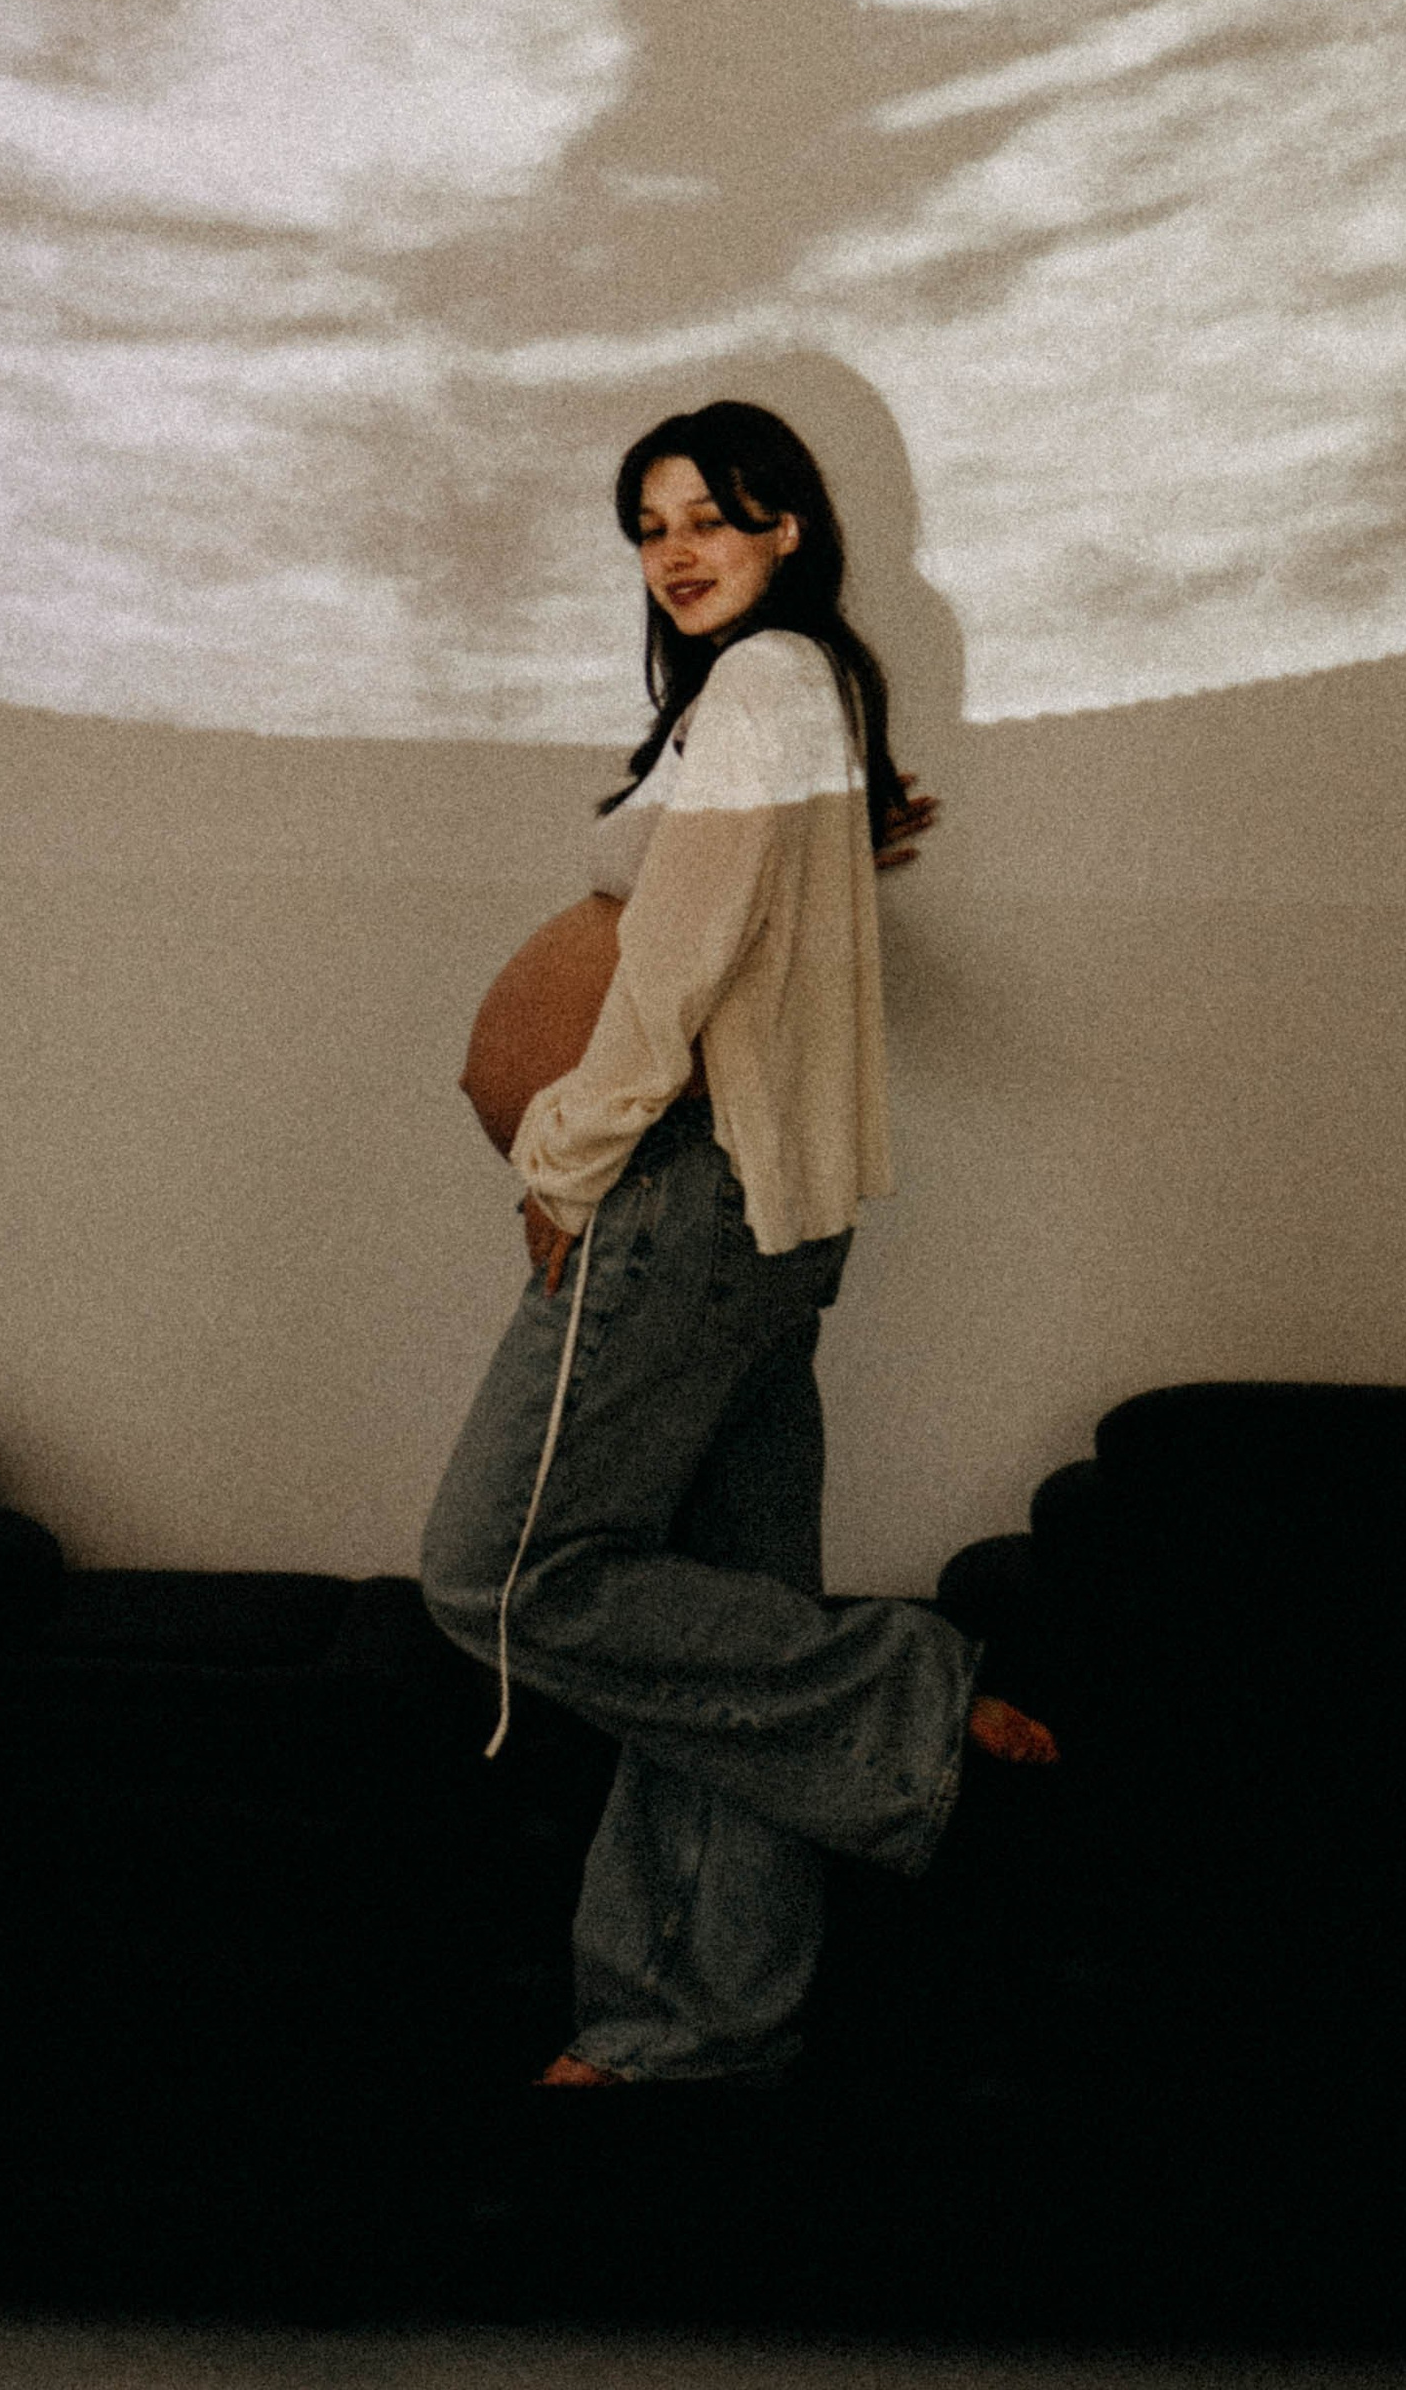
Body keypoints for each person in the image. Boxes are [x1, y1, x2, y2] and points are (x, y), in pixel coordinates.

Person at [420, 397, 1055, 2087]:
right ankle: (688, 2026)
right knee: (717, 1614)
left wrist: (560, 1162)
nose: (681, 548)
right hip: (755, 1221)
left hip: (684, 1197)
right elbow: (750, 920)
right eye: (652, 523)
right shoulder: (787, 701)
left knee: (499, 1574)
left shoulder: (768, 683)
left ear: (790, 531)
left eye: (718, 513)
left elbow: (672, 973)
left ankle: (905, 1702)